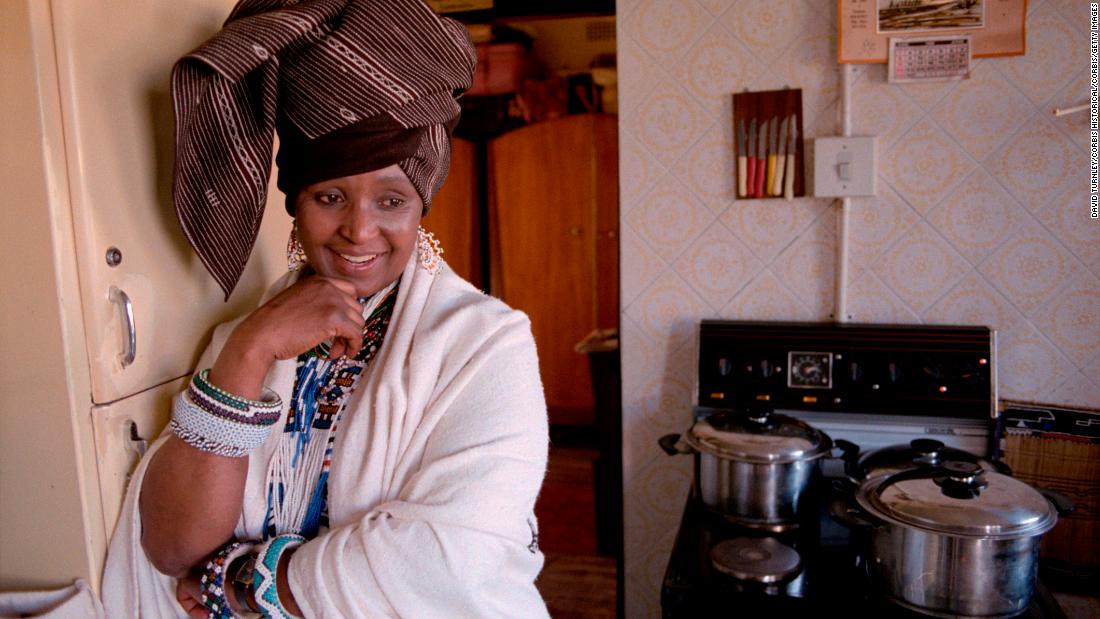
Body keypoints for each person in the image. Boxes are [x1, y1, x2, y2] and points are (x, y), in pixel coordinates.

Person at [101, 1, 550, 617]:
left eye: (392, 200)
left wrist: (242, 582)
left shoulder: (485, 345)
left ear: (423, 206)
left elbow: (453, 556)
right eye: (330, 196)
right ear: (295, 202)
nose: (358, 232)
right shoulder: (246, 333)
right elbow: (175, 545)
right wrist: (249, 351)